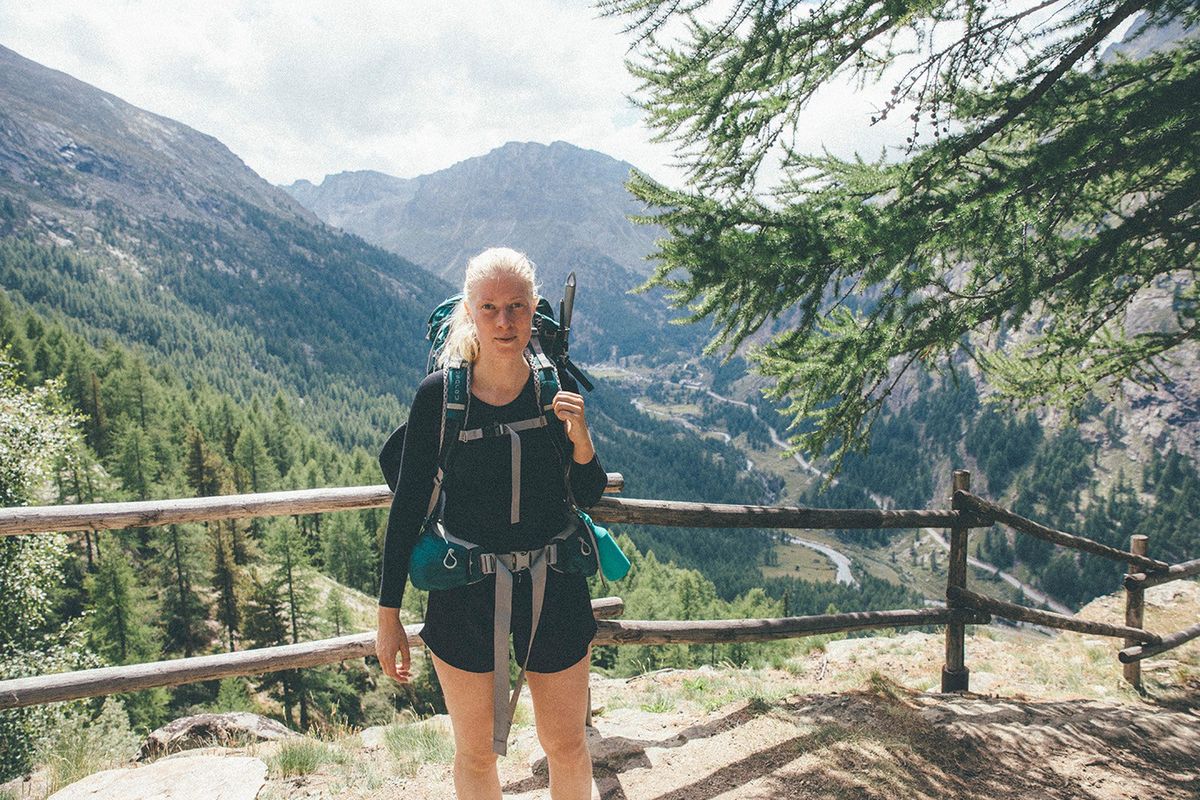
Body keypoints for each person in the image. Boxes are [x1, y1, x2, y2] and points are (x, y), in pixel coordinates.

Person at [376, 247, 606, 800]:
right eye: (490, 307)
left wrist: (582, 441)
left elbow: (590, 492)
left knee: (568, 745)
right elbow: (407, 505)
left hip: (554, 584)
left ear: (534, 312)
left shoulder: (554, 390)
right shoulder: (440, 398)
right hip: (464, 588)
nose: (505, 322)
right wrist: (387, 615)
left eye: (517, 307)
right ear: (470, 313)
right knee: (476, 753)